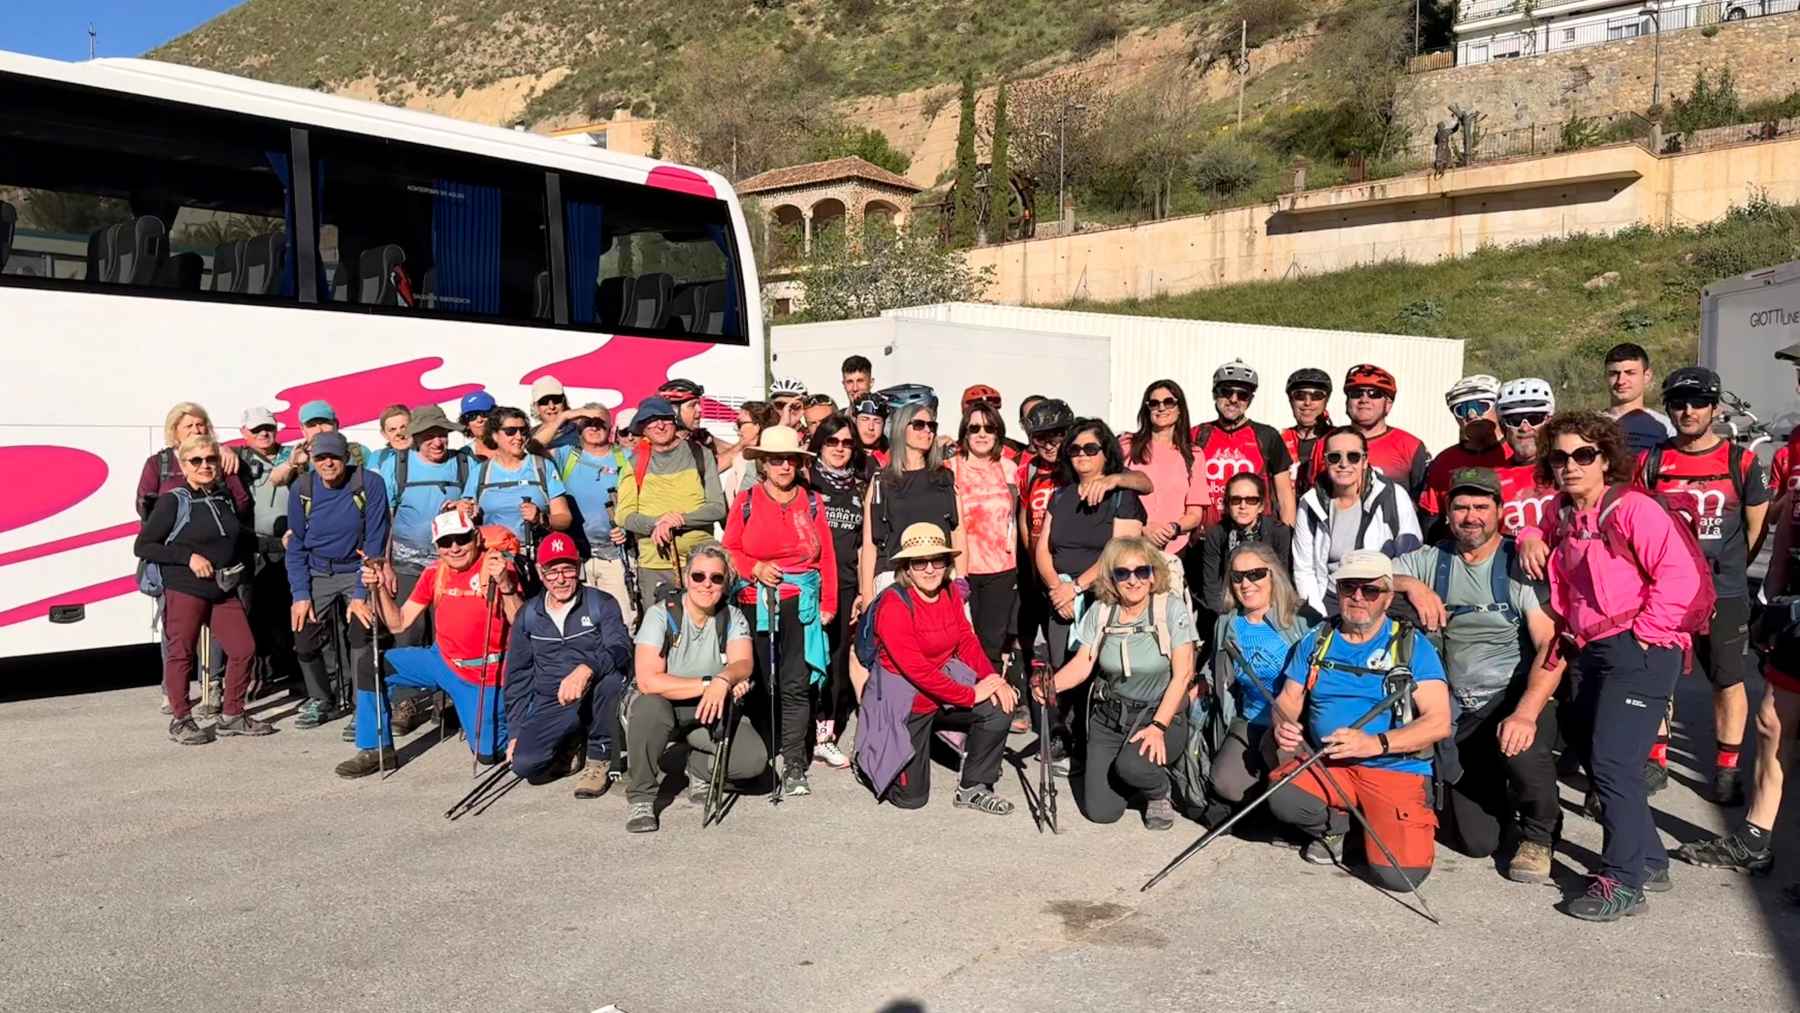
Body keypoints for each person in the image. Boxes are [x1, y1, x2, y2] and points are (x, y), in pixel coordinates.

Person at [1518, 412, 1706, 921]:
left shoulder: (1632, 509)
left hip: (1638, 648)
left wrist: (1642, 637)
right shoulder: (1563, 513)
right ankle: (1648, 858)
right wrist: (1529, 533)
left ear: (1606, 459)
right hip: (1588, 648)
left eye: (1583, 455)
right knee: (1592, 751)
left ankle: (1622, 882)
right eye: (1559, 456)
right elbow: (1540, 523)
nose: (1570, 465)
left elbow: (1681, 577)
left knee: (1614, 763)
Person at [1390, 468, 1564, 884]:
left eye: (1481, 506)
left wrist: (1525, 712)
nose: (1471, 516)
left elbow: (1551, 647)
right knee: (1476, 841)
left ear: (1500, 511)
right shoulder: (1432, 559)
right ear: (1448, 512)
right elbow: (1369, 576)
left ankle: (1540, 833)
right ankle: (1503, 803)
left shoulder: (1517, 564)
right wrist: (1412, 585)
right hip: (1459, 715)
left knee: (1524, 748)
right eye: (1462, 506)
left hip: (1511, 700)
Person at [1677, 343, 1800, 878]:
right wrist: (1771, 596)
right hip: (1795, 606)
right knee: (1773, 720)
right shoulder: (1794, 447)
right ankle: (1755, 838)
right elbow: (1782, 525)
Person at [1266, 551, 1453, 890]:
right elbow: (1289, 699)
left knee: (1400, 877)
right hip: (1330, 761)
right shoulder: (1317, 639)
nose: (1357, 597)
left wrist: (1374, 744)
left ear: (1388, 597)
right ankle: (1342, 827)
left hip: (1394, 767)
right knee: (1284, 796)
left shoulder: (1412, 646)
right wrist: (1283, 724)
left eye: (1370, 591)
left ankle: (1372, 827)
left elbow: (1438, 722)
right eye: (1348, 587)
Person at [1637, 366, 1770, 805]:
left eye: (1697, 402)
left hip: (1724, 591)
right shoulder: (1651, 460)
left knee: (1727, 680)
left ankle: (1727, 769)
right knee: (1658, 675)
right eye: (1678, 403)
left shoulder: (1741, 461)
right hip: (1663, 591)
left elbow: (1756, 529)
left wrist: (1726, 572)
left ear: (1714, 407)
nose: (1688, 411)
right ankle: (1655, 759)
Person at [855, 523, 1016, 814]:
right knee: (912, 799)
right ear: (907, 567)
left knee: (1000, 705)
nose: (929, 569)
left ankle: (974, 786)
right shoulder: (894, 604)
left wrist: (992, 678)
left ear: (947, 563)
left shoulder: (951, 592)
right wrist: (970, 694)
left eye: (937, 560)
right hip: (907, 701)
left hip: (943, 684)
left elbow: (966, 640)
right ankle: (868, 759)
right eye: (919, 562)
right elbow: (916, 670)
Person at [1040, 537, 1200, 829]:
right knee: (1102, 812)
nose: (1133, 580)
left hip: (1157, 714)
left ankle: (1158, 789)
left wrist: (1158, 727)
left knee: (1131, 767)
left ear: (1154, 575)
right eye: (1122, 573)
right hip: (1110, 717)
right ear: (1111, 578)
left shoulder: (1170, 609)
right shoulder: (1101, 611)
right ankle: (1130, 773)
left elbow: (1184, 674)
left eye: (1142, 571)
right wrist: (1048, 687)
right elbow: (1081, 664)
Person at [349, 510, 525, 775]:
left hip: (481, 673)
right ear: (437, 547)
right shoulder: (435, 573)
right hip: (441, 660)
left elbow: (521, 622)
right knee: (371, 665)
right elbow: (399, 623)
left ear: (476, 537)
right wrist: (379, 589)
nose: (454, 548)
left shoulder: (497, 566)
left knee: (489, 755)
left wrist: (505, 584)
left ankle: (525, 726)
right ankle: (376, 749)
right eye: (445, 542)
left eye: (461, 539)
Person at [135, 433, 272, 744]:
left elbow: (241, 538)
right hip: (185, 588)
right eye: (196, 460)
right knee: (182, 653)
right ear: (184, 465)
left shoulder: (221, 496)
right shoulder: (173, 501)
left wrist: (280, 543)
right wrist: (188, 557)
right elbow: (144, 546)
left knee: (244, 648)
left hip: (222, 588)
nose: (205, 465)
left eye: (211, 459)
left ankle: (232, 715)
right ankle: (181, 719)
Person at [722, 425, 837, 795]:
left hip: (800, 607)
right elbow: (730, 551)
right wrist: (754, 568)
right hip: (755, 603)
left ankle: (794, 764)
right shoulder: (746, 502)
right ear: (763, 464)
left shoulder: (813, 502)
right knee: (753, 683)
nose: (784, 466)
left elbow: (828, 559)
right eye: (776, 460)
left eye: (790, 459)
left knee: (795, 685)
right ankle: (754, 756)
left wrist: (830, 604)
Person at [625, 543, 765, 833]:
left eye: (716, 578)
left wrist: (726, 680)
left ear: (726, 584)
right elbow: (649, 680)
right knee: (649, 707)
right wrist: (709, 683)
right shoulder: (660, 614)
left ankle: (692, 763)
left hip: (707, 708)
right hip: (663, 704)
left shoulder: (731, 617)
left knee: (753, 763)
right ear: (686, 578)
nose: (706, 584)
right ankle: (641, 796)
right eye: (698, 576)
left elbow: (744, 664)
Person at [1036, 419, 1147, 766]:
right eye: (1075, 449)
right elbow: (1042, 548)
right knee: (1062, 667)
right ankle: (1066, 737)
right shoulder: (1060, 495)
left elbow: (1118, 551)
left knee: (1098, 671)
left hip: (1102, 597)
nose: (1082, 455)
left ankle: (1095, 747)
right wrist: (1057, 588)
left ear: (1105, 454)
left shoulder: (1121, 496)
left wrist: (1077, 587)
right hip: (1061, 597)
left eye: (1090, 448)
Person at [502, 532, 632, 798]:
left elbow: (621, 649)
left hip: (594, 690)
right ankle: (572, 742)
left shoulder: (601, 603)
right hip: (552, 700)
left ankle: (600, 755)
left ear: (578, 567)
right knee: (525, 765)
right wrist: (515, 731)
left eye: (567, 569)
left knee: (610, 681)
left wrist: (586, 668)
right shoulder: (528, 614)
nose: (560, 578)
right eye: (552, 571)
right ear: (540, 572)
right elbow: (518, 677)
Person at [285, 430, 391, 730]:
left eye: (334, 456)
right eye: (320, 457)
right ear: (312, 461)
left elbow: (374, 542)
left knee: (361, 631)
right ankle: (321, 699)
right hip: (318, 570)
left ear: (346, 457)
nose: (327, 463)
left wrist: (360, 594)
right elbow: (296, 544)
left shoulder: (369, 483)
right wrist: (300, 594)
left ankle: (363, 707)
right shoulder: (302, 488)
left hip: (357, 568)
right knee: (303, 631)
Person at [1205, 541, 1308, 804]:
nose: (1246, 584)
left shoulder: (1302, 621)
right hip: (1249, 719)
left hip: (1292, 724)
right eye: (1238, 577)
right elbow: (1216, 668)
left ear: (1273, 574)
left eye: (1255, 574)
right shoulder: (1228, 623)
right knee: (1226, 785)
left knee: (1292, 793)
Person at [1292, 427, 1423, 619]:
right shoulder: (1310, 503)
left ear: (1365, 461)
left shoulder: (1393, 496)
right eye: (1335, 457)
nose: (1343, 464)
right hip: (1331, 597)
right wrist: (1316, 612)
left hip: (1379, 596)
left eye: (1353, 457)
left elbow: (1411, 557)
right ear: (1325, 461)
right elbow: (1304, 567)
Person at [614, 395, 726, 615]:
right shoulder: (634, 463)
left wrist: (679, 520)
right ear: (643, 429)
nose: (659, 424)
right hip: (655, 566)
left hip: (703, 565)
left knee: (708, 631)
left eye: (664, 418)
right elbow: (623, 515)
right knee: (661, 636)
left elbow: (717, 507)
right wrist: (658, 523)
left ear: (674, 421)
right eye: (651, 420)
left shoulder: (701, 455)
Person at [809, 413, 875, 767]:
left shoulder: (861, 485)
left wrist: (864, 592)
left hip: (847, 583)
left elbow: (865, 544)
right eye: (832, 441)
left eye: (847, 442)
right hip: (809, 581)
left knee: (835, 659)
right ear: (820, 443)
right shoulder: (807, 478)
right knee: (803, 659)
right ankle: (797, 731)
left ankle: (825, 734)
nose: (840, 448)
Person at [860, 398, 962, 604]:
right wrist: (867, 594)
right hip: (893, 578)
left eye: (931, 426)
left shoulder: (944, 478)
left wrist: (961, 579)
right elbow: (870, 544)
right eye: (918, 425)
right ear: (900, 429)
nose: (927, 431)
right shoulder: (882, 481)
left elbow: (958, 532)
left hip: (939, 576)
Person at [1119, 379, 1210, 595]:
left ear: (1180, 409)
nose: (1161, 408)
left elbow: (1195, 513)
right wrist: (1143, 527)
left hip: (1173, 552)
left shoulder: (1193, 455)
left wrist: (1171, 529)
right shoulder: (1126, 446)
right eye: (1154, 403)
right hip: (1130, 548)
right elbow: (1115, 499)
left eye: (1169, 402)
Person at [949, 401, 1021, 673]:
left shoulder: (1009, 468)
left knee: (991, 643)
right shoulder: (949, 467)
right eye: (974, 428)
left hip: (1001, 570)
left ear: (998, 433)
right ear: (964, 433)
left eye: (989, 428)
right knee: (960, 640)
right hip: (961, 569)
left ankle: (989, 705)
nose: (982, 434)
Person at [552, 402, 635, 627]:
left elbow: (644, 501)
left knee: (621, 623)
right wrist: (569, 415)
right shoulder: (565, 456)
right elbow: (532, 446)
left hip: (615, 557)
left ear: (610, 428)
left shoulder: (627, 457)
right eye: (588, 422)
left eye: (600, 423)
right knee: (578, 625)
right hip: (576, 558)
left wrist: (628, 527)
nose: (594, 427)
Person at [238, 407, 302, 693]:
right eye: (256, 429)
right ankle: (260, 675)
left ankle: (297, 675)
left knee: (292, 614)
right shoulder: (236, 459)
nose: (264, 433)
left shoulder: (294, 455)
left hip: (292, 546)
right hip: (256, 548)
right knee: (257, 617)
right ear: (244, 433)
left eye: (269, 427)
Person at [1190, 360, 1295, 526]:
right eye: (1226, 392)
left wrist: (1288, 535)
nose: (1233, 399)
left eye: (1242, 395)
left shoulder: (1267, 435)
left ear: (1250, 400)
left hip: (1255, 538)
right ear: (1214, 394)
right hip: (1205, 537)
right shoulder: (1196, 434)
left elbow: (1285, 495)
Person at [1313, 364, 1431, 502]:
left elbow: (1424, 507)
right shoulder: (1325, 443)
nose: (1364, 400)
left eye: (1374, 394)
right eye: (1356, 393)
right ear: (1347, 402)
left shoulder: (1411, 446)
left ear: (1388, 404)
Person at [461, 405, 573, 549]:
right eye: (510, 431)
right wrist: (466, 511)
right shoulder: (480, 472)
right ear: (494, 435)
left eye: (523, 431)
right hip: (495, 556)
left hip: (536, 554)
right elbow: (466, 515)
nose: (519, 437)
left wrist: (541, 518)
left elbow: (564, 518)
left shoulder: (543, 466)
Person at [1418, 375, 1512, 528]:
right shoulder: (1444, 462)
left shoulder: (1517, 454)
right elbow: (1431, 520)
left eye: (1481, 406)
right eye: (1461, 409)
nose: (1471, 414)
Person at [1197, 473, 1294, 616]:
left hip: (1273, 607)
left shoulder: (1279, 533)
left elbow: (1282, 579)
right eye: (1236, 500)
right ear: (1227, 505)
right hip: (1229, 606)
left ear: (1261, 506)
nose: (1243, 506)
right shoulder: (1217, 534)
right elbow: (1212, 586)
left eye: (1251, 500)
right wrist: (1223, 619)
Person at [137, 401, 244, 521]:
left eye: (200, 424)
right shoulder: (157, 463)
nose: (196, 431)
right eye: (189, 426)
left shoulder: (221, 458)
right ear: (174, 430)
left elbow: (241, 501)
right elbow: (143, 505)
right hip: (171, 536)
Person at [1494, 378, 1560, 536]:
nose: (1525, 427)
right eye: (1514, 420)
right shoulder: (1492, 481)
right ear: (1503, 427)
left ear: (1549, 422)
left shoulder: (1570, 469)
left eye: (1534, 418)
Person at [1604, 342, 1675, 455]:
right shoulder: (1588, 426)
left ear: (1647, 376)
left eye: (1630, 373)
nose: (1621, 381)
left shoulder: (1666, 427)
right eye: (1614, 374)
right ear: (1605, 377)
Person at [1282, 368, 1334, 496]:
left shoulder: (1338, 440)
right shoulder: (1278, 439)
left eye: (1316, 396)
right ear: (1290, 400)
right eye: (1299, 396)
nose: (1307, 403)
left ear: (1326, 401)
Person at [719, 400, 775, 502]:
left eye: (740, 424)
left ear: (757, 427)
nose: (736, 429)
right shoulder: (741, 457)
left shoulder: (763, 462)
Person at [296, 400, 368, 469]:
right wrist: (290, 466)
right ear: (303, 430)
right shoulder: (292, 457)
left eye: (324, 423)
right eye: (312, 425)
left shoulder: (359, 453)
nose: (319, 430)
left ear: (336, 424)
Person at [528, 376, 578, 451]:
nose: (551, 407)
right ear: (536, 405)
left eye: (556, 399)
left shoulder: (578, 431)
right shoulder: (529, 434)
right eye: (544, 401)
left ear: (564, 401)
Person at [851, 394, 890, 467]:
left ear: (884, 425)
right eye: (865, 419)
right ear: (855, 421)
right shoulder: (843, 450)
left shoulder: (894, 456)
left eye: (877, 421)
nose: (871, 427)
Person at [458, 391, 497, 461]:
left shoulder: (512, 446)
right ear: (467, 424)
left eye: (484, 413)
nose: (479, 420)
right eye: (472, 416)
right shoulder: (462, 456)